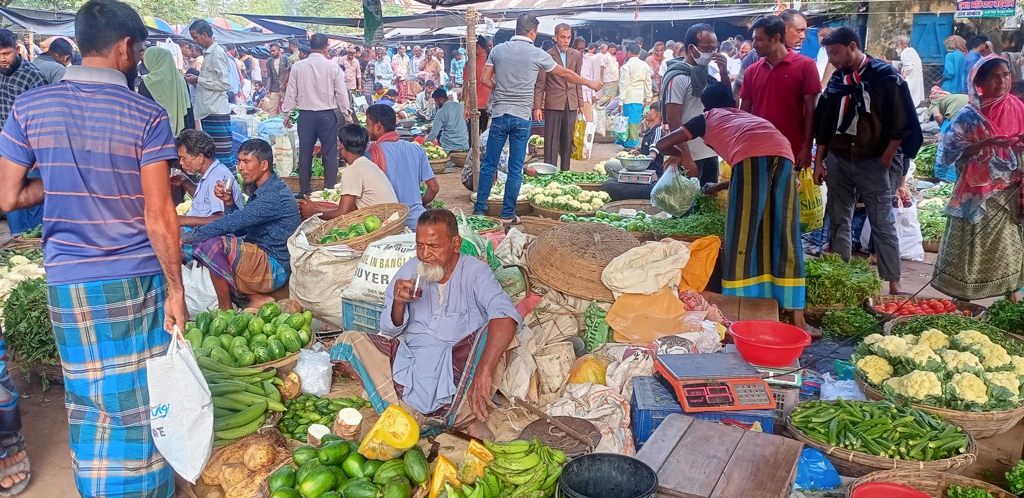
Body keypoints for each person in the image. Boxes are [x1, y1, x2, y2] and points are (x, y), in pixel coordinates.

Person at [0, 2, 187, 496]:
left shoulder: (29, 108)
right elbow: (159, 213)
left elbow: (9, 196)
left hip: (70, 281)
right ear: (125, 47)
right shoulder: (146, 113)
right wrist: (176, 288)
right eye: (141, 49)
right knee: (141, 397)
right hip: (135, 278)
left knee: (89, 399)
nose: (139, 58)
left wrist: (57, 180)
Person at [330, 209, 521, 439]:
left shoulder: (475, 272)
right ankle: (419, 416)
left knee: (500, 330)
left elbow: (506, 316)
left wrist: (483, 371)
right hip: (412, 362)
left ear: (455, 243)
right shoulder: (411, 270)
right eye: (420, 245)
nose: (425, 254)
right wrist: (398, 303)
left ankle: (461, 416)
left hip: (459, 366)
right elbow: (389, 330)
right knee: (348, 341)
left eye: (434, 246)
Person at [656, 82, 808, 329]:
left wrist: (680, 154)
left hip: (750, 159)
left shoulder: (706, 118)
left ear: (706, 106)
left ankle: (736, 312)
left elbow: (662, 144)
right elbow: (754, 170)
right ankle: (798, 319)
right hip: (784, 155)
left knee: (742, 236)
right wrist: (717, 187)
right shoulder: (748, 118)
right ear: (732, 102)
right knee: (785, 234)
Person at [812, 26, 922, 296]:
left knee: (882, 222)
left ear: (852, 46)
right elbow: (824, 122)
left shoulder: (885, 77)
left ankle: (893, 281)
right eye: (829, 55)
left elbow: (901, 122)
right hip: (839, 157)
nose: (833, 60)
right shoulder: (838, 80)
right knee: (839, 218)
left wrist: (886, 158)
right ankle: (842, 274)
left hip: (874, 160)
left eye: (836, 53)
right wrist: (819, 161)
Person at [474, 14, 602, 225]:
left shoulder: (497, 50)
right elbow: (566, 75)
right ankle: (507, 215)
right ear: (533, 32)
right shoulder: (537, 54)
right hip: (521, 118)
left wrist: (503, 90)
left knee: (489, 164)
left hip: (499, 115)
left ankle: (479, 210)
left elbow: (484, 79)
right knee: (516, 168)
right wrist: (588, 82)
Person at [933, 55, 1024, 302]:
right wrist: (987, 142)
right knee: (969, 248)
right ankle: (961, 300)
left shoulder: (1017, 106)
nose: (1002, 81)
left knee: (1007, 248)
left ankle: (1010, 299)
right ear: (979, 81)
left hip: (1007, 190)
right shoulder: (968, 115)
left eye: (1005, 75)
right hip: (975, 194)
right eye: (994, 76)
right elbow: (950, 152)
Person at [181, 139, 300, 310]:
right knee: (209, 241)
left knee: (209, 243)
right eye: (239, 162)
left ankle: (226, 308)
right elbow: (241, 228)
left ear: (264, 164)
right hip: (259, 256)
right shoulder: (263, 188)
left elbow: (232, 223)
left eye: (246, 162)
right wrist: (229, 203)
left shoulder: (273, 195)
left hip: (274, 267)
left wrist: (188, 237)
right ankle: (256, 297)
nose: (240, 168)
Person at [740, 15, 820, 171]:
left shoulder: (806, 66)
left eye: (759, 39)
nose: (755, 45)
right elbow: (744, 113)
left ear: (776, 38)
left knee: (789, 195)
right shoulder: (751, 71)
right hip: (758, 150)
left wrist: (807, 148)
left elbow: (811, 110)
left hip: (793, 151)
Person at [282, 33, 352, 196]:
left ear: (310, 46)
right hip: (327, 116)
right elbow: (342, 93)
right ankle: (330, 190)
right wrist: (347, 115)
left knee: (305, 153)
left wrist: (287, 114)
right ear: (326, 47)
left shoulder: (298, 66)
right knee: (329, 153)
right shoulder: (332, 66)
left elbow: (291, 92)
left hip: (306, 117)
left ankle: (304, 191)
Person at [661, 23, 727, 185]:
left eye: (714, 48)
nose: (711, 53)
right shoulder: (678, 77)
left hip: (710, 152)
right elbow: (674, 119)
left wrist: (724, 73)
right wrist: (686, 157)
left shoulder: (708, 74)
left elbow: (726, 105)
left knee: (708, 206)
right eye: (707, 49)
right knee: (686, 208)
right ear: (691, 48)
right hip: (689, 154)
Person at [0, 29, 47, 238]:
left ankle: (38, 246)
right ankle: (17, 244)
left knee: (33, 201)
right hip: (5, 147)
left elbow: (45, 116)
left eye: (6, 53)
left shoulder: (33, 76)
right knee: (11, 201)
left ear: (17, 50)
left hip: (30, 148)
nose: (2, 59)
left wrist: (38, 150)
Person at [298, 124, 397, 220]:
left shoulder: (352, 170)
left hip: (382, 225)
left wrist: (313, 212)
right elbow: (350, 209)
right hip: (390, 220)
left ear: (341, 145)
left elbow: (343, 213)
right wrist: (315, 207)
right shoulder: (368, 165)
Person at [365, 104, 439, 230]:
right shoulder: (416, 149)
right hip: (418, 223)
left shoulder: (370, 154)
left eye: (367, 124)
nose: (366, 128)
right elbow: (434, 188)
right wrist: (421, 203)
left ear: (377, 126)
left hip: (389, 226)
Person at [534, 23, 584, 170]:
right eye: (563, 37)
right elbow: (540, 83)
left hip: (571, 102)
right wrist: (537, 107)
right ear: (555, 37)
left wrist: (580, 102)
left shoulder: (576, 55)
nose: (566, 41)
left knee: (568, 140)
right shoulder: (547, 55)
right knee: (551, 140)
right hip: (553, 102)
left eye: (568, 38)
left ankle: (565, 172)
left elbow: (577, 79)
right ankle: (549, 171)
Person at [187, 20, 234, 170]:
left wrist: (198, 80)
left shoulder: (217, 53)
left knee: (222, 155)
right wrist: (197, 81)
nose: (194, 41)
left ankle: (229, 188)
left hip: (216, 111)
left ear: (205, 35)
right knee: (213, 155)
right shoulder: (209, 53)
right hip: (209, 110)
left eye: (196, 38)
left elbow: (225, 84)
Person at [175, 129, 243, 227]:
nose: (181, 162)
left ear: (200, 158)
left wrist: (183, 220)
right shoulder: (212, 172)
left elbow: (222, 218)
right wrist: (184, 180)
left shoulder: (217, 178)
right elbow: (204, 199)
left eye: (184, 158)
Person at [138, 47, 195, 138]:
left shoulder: (147, 83)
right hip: (182, 132)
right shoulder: (181, 80)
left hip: (157, 133)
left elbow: (143, 113)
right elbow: (188, 107)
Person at [616, 43, 653, 149]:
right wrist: (649, 97)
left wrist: (620, 101)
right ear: (639, 53)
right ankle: (631, 143)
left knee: (629, 120)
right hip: (639, 96)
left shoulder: (626, 67)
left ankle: (631, 144)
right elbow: (648, 82)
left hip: (628, 96)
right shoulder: (645, 65)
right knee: (635, 119)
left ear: (628, 53)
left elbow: (623, 84)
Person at [931, 92, 969, 182]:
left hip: (954, 121)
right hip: (971, 120)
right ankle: (959, 178)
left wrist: (942, 129)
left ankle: (946, 179)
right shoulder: (954, 97)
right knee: (962, 148)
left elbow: (937, 115)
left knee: (947, 148)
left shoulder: (936, 102)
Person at [427, 88, 468, 153]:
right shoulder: (461, 107)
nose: (436, 103)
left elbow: (434, 133)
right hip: (464, 145)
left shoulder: (441, 112)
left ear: (440, 99)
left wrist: (425, 143)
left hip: (448, 148)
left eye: (436, 101)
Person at [894, 35, 924, 107]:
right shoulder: (912, 51)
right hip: (916, 79)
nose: (897, 46)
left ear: (901, 43)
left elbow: (909, 67)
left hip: (911, 80)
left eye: (898, 44)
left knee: (908, 102)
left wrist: (903, 75)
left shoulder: (904, 53)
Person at [471, 35, 493, 132]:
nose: (489, 48)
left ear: (478, 47)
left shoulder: (471, 64)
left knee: (475, 135)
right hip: (486, 105)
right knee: (485, 134)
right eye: (487, 46)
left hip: (479, 105)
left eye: (490, 46)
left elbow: (468, 88)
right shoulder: (494, 63)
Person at [261, 42, 289, 117]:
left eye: (274, 51)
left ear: (279, 50)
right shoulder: (269, 61)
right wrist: (268, 88)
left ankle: (287, 122)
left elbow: (289, 73)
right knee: (272, 108)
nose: (272, 53)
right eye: (271, 51)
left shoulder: (285, 59)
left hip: (285, 88)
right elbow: (269, 76)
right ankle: (272, 124)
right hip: (274, 88)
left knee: (287, 108)